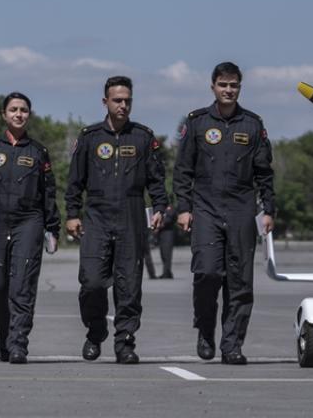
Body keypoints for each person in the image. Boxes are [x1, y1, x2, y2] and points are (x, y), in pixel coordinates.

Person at [174, 62, 275, 365]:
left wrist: (268, 209)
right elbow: (183, 170)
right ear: (213, 87)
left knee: (240, 282)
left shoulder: (253, 124)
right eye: (223, 85)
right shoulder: (197, 122)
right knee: (207, 272)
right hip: (205, 207)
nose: (228, 90)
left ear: (239, 88)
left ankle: (231, 345)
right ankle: (205, 329)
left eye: (233, 85)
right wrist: (183, 208)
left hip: (242, 209)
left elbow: (264, 172)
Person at [64, 76, 168, 364]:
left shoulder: (143, 137)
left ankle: (125, 343)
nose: (123, 105)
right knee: (92, 282)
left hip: (131, 217)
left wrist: (159, 207)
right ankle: (95, 330)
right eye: (117, 100)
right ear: (105, 102)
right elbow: (75, 181)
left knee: (129, 286)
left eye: (127, 101)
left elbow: (156, 180)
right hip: (96, 217)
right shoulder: (90, 137)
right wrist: (72, 214)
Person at [0, 92, 62, 365]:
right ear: (4, 114)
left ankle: (19, 343)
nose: (18, 114)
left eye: (23, 110)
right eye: (13, 109)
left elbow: (49, 193)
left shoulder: (38, 152)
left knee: (22, 286)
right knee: (0, 286)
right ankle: (4, 338)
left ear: (29, 115)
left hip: (29, 221)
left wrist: (52, 228)